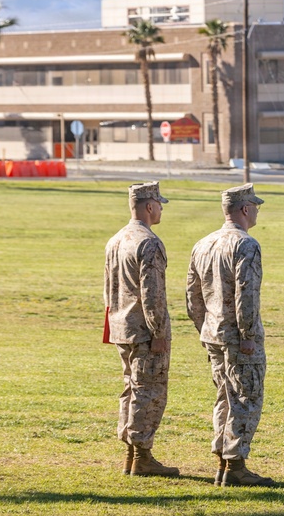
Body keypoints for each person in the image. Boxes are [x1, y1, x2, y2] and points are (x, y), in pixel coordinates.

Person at [186, 184, 275, 487]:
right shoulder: (245, 244)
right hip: (238, 337)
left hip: (213, 333)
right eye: (256, 206)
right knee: (245, 397)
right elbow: (246, 295)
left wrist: (204, 326)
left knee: (224, 397)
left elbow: (192, 294)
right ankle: (235, 465)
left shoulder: (203, 243)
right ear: (245, 209)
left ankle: (223, 461)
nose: (258, 211)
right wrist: (248, 333)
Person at [103, 181, 178, 477]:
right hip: (146, 331)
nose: (160, 209)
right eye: (159, 204)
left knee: (130, 389)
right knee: (149, 391)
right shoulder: (149, 242)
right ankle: (142, 456)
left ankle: (131, 456)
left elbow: (108, 290)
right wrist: (159, 332)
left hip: (121, 326)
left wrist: (112, 323)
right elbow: (153, 294)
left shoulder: (116, 240)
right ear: (149, 206)